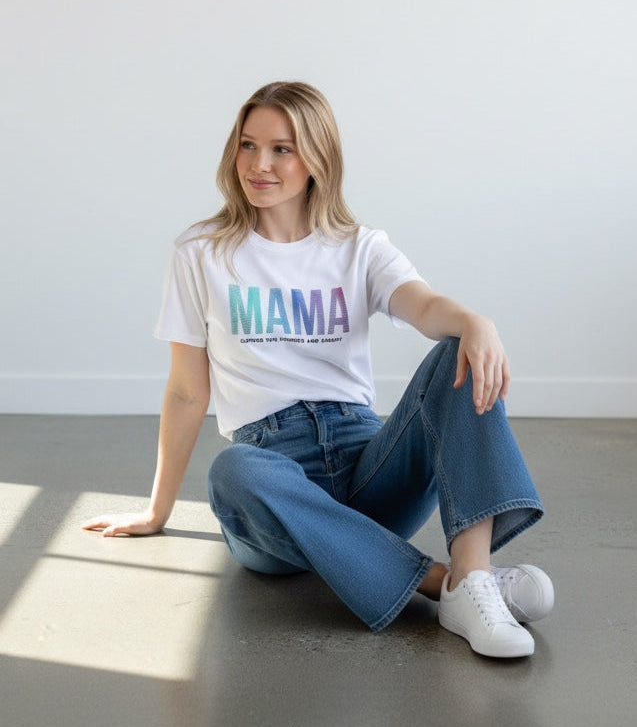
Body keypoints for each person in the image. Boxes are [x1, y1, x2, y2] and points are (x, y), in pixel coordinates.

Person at [83, 81, 554, 658]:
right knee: (233, 470)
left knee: (456, 351)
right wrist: (158, 511)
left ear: (317, 157)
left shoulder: (359, 247)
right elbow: (186, 392)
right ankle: (447, 585)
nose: (259, 164)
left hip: (367, 467)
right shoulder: (200, 253)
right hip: (273, 487)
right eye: (248, 145)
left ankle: (473, 571)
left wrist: (476, 321)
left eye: (282, 148)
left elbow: (425, 307)